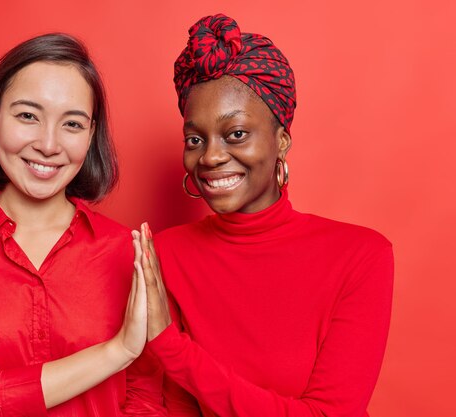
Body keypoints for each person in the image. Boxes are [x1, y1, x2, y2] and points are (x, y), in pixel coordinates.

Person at [133, 14, 394, 417]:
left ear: (281, 141)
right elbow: (170, 405)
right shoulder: (164, 255)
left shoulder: (361, 255)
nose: (211, 156)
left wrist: (172, 347)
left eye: (236, 134)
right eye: (195, 139)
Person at [0, 33, 165, 416]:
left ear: (91, 135)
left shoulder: (131, 251)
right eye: (28, 116)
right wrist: (118, 351)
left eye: (72, 124)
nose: (48, 144)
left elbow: (147, 399)